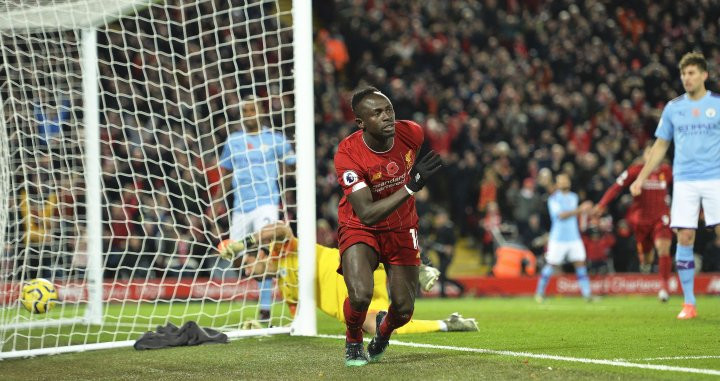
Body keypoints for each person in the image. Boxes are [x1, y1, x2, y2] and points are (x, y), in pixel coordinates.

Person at [334, 87, 442, 366]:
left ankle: (383, 331)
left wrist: (409, 187)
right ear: (360, 123)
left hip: (402, 227)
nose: (387, 117)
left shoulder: (412, 133)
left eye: (389, 110)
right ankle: (354, 339)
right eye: (377, 113)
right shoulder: (348, 154)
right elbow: (367, 213)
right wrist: (409, 187)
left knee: (404, 311)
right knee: (360, 295)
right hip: (360, 226)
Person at [216, 222, 478, 334]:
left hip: (352, 269)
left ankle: (416, 265)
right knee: (381, 328)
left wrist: (240, 245)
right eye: (244, 271)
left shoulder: (283, 250)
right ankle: (447, 324)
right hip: (355, 305)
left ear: (259, 255)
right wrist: (266, 330)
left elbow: (280, 229)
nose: (248, 271)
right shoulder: (287, 291)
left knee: (370, 242)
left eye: (247, 263)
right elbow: (297, 323)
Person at [630, 52, 720, 320]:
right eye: (683, 74)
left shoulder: (717, 104)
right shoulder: (673, 108)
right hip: (685, 181)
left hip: (714, 178)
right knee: (684, 237)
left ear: (704, 75)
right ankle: (689, 303)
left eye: (691, 73)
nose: (686, 78)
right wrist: (641, 177)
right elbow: (660, 146)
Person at [214, 95, 295, 324]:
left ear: (261, 111)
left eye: (252, 110)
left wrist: (298, 159)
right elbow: (226, 174)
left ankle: (265, 308)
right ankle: (270, 268)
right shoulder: (233, 140)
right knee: (236, 257)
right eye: (245, 111)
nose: (249, 114)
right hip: (240, 206)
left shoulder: (275, 139)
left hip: (266, 202)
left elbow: (292, 162)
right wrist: (217, 200)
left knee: (265, 248)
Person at [593, 144, 673, 301]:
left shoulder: (666, 171)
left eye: (655, 152)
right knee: (647, 257)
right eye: (649, 151)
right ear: (643, 154)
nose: (652, 155)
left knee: (663, 247)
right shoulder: (636, 171)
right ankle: (646, 261)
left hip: (661, 217)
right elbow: (616, 187)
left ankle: (664, 286)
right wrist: (602, 204)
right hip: (641, 221)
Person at [535, 173, 594, 302]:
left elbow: (577, 214)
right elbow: (561, 215)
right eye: (561, 181)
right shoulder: (554, 198)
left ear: (569, 182)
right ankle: (539, 293)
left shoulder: (574, 197)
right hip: (558, 238)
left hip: (574, 237)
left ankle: (587, 294)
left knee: (580, 263)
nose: (564, 182)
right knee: (551, 264)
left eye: (565, 180)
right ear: (557, 184)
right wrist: (580, 210)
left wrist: (586, 211)